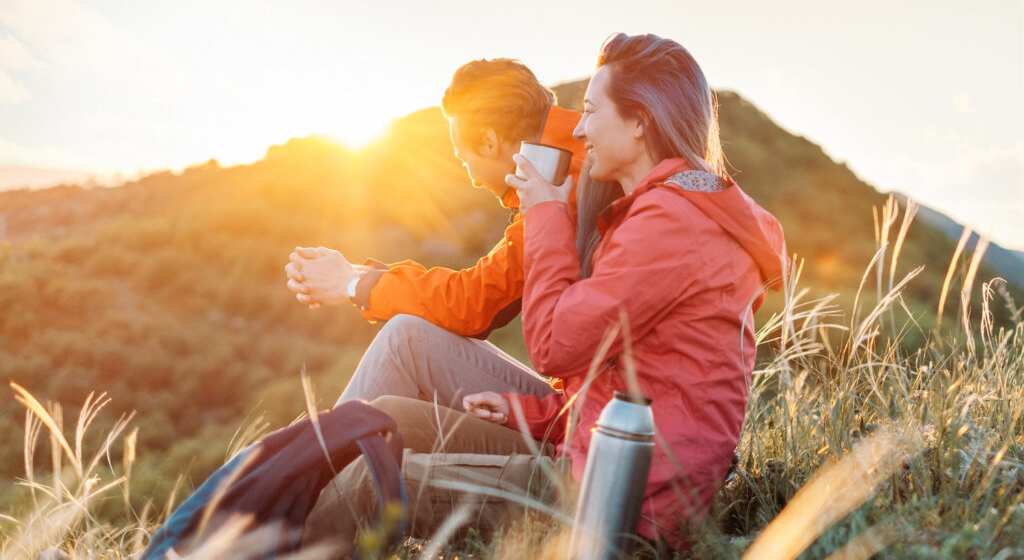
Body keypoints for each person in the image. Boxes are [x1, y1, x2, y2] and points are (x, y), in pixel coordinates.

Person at [302, 33, 788, 553]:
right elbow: (625, 377)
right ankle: (278, 490)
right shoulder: (657, 209)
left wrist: (546, 214)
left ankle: (267, 525)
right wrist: (523, 412)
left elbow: (553, 344)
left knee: (365, 485)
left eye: (591, 110)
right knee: (383, 420)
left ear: (641, 121)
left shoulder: (666, 222)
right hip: (597, 453)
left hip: (616, 501)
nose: (578, 128)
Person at [284, 58, 586, 409]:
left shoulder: (566, 184)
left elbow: (473, 303)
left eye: (463, 158)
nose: (472, 177)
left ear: (489, 141)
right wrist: (358, 275)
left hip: (581, 414)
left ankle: (316, 459)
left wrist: (353, 286)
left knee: (406, 340)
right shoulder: (576, 157)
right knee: (407, 340)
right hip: (582, 400)